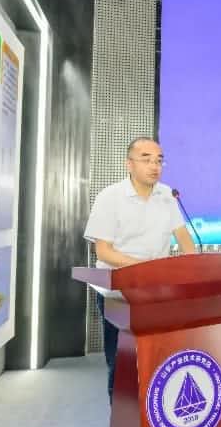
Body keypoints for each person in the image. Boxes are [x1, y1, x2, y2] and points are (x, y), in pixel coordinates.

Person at [83, 136, 197, 402]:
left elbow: (183, 238)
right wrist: (146, 269)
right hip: (118, 292)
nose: (154, 166)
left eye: (159, 160)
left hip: (158, 291)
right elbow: (103, 251)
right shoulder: (110, 197)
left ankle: (154, 419)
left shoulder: (167, 196)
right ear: (129, 164)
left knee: (158, 359)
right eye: (146, 159)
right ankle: (123, 425)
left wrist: (195, 265)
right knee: (122, 363)